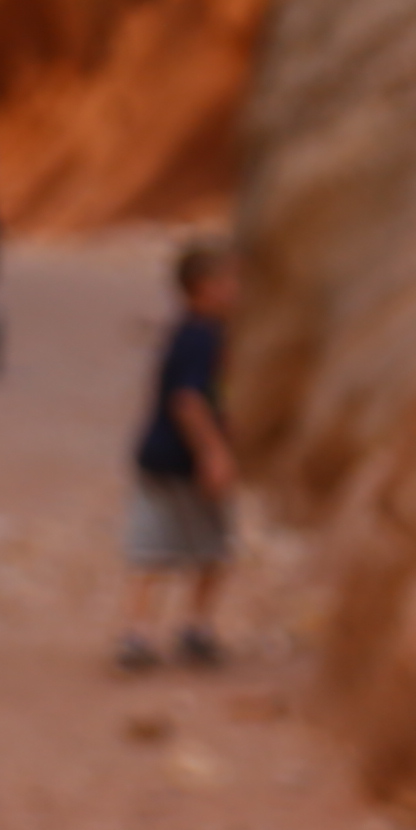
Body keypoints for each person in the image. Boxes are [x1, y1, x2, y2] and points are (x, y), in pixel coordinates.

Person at [115, 234, 244, 671]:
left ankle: (140, 633)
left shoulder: (192, 332)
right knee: (208, 547)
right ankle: (192, 629)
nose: (236, 291)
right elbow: (188, 401)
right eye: (229, 282)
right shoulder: (201, 337)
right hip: (181, 461)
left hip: (159, 456)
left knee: (154, 548)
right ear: (204, 286)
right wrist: (214, 453)